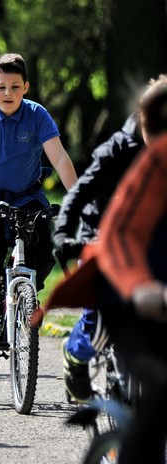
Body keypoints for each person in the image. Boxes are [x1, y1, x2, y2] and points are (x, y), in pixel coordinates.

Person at [45, 81, 167, 463]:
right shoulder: (119, 149)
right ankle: (76, 353)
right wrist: (64, 232)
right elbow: (80, 192)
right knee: (101, 320)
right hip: (104, 238)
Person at [0, 53, 77, 384]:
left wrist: (77, 197)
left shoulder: (37, 115)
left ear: (26, 88)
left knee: (43, 255)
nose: (8, 93)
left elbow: (59, 158)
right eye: (1, 87)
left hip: (26, 198)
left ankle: (20, 297)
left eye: (15, 87)